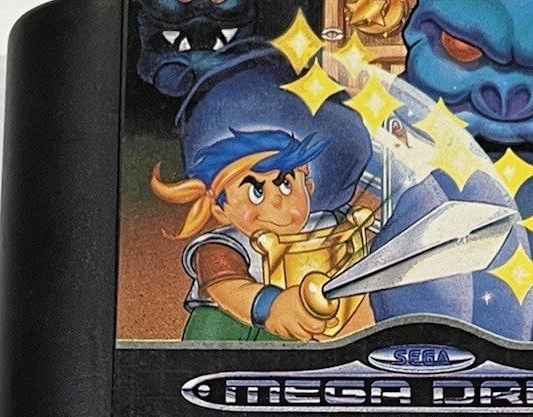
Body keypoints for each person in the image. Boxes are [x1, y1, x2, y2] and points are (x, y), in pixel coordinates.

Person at [151, 128, 369, 341]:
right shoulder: (221, 246)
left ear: (308, 187)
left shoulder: (326, 224)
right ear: (221, 211)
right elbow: (225, 286)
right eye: (257, 192)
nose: (276, 200)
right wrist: (270, 306)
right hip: (231, 328)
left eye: (286, 184)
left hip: (295, 330)